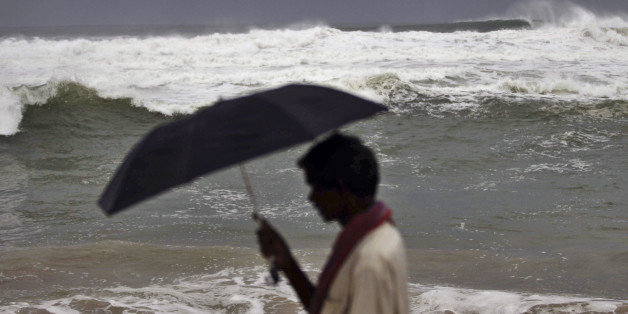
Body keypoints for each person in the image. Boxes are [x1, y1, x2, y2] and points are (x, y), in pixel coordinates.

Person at [256, 132, 409, 314]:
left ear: (341, 189)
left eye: (316, 188)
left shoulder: (368, 261)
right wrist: (287, 263)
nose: (311, 198)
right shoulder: (381, 232)